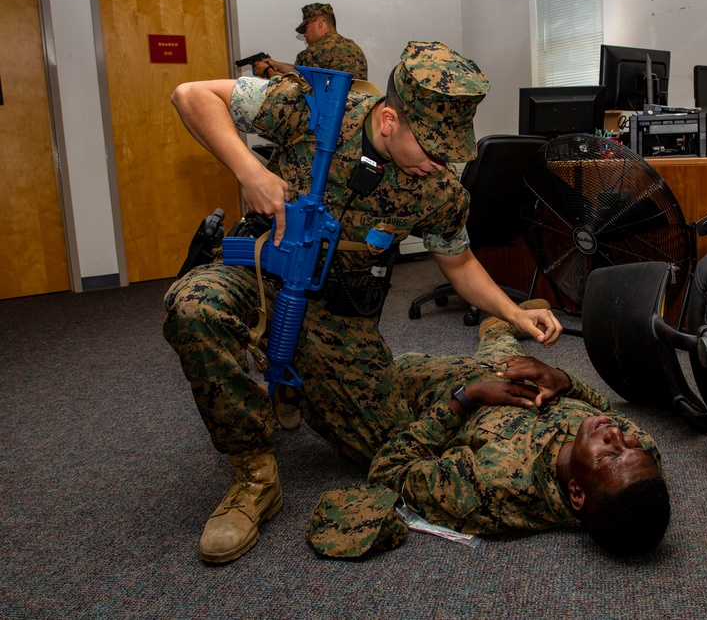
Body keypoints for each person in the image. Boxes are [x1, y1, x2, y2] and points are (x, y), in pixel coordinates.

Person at [164, 41, 563, 564]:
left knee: (390, 453)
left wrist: (514, 314)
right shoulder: (313, 107)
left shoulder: (439, 190)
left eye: (450, 152)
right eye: (433, 149)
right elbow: (191, 94)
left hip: (337, 314)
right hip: (265, 272)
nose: (440, 164)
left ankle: (296, 378)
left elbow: (460, 263)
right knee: (193, 305)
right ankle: (254, 473)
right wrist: (250, 171)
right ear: (390, 120)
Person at [308, 301, 671, 558]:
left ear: (577, 494)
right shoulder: (640, 460)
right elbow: (602, 408)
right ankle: (499, 329)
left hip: (437, 390)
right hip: (502, 371)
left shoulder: (490, 490)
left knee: (345, 365)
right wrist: (561, 378)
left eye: (610, 453)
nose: (616, 435)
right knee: (508, 354)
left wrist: (466, 398)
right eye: (630, 445)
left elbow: (390, 470)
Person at [253, 2, 368, 80]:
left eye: (306, 28)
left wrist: (267, 71)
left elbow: (290, 91)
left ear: (319, 23)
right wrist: (277, 66)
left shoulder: (313, 52)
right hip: (356, 114)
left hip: (328, 115)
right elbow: (307, 72)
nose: (304, 34)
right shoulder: (354, 47)